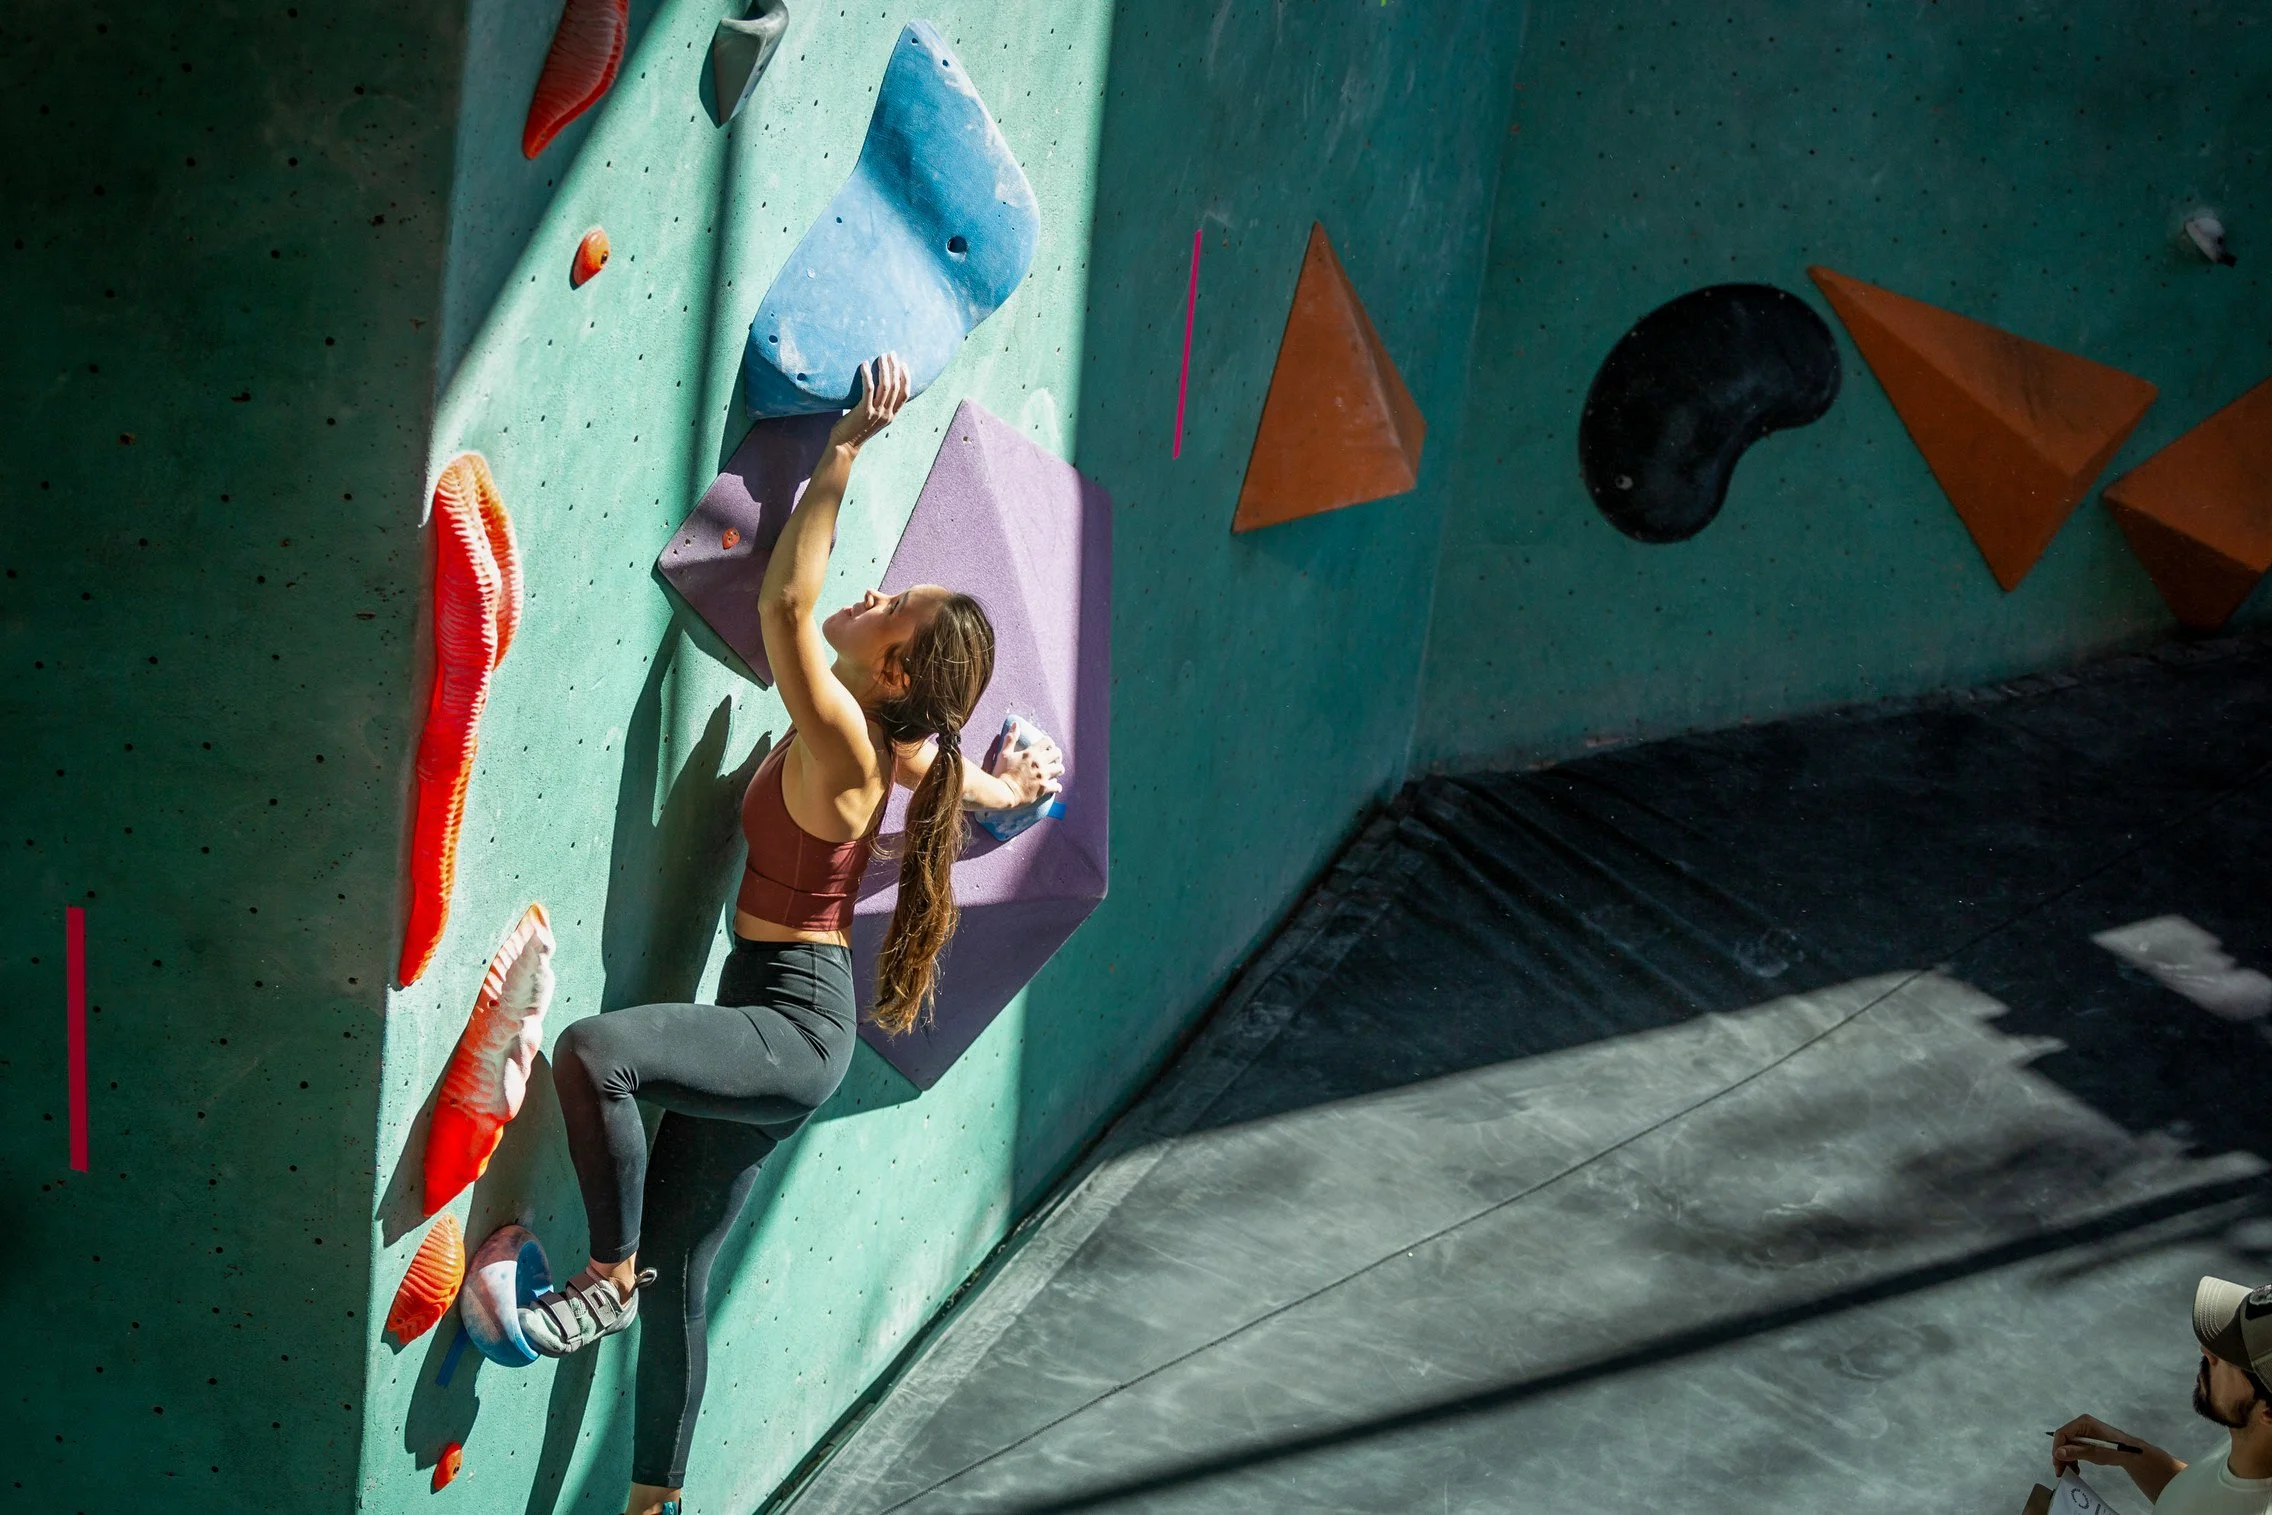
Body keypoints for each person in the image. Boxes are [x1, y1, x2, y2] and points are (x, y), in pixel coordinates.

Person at [519, 353, 1063, 1515]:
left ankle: (605, 1275)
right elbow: (945, 776)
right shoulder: (891, 739)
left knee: (594, 1054)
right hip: (775, 1005)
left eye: (887, 609)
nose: (868, 595)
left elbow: (782, 605)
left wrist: (848, 451)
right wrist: (1012, 798)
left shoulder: (850, 745)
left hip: (789, 1022)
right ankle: (655, 1501)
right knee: (685, 1278)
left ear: (897, 664)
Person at [2053, 1276, 2272, 1513]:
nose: (2206, 1351)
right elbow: (2203, 1502)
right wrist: (2129, 1451)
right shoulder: (2253, 1442)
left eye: (2231, 1356)